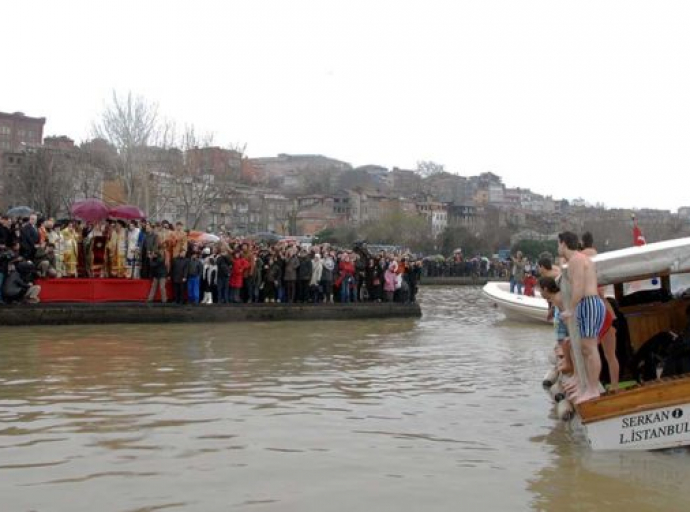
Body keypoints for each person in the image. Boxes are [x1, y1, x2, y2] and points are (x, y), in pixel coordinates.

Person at [558, 231, 605, 403]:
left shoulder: (576, 260)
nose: (558, 248)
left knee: (589, 348)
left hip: (588, 303)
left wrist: (570, 309)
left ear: (563, 243)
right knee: (586, 348)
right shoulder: (581, 258)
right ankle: (588, 386)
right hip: (590, 303)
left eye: (558, 244)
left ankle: (592, 389)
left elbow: (578, 287)